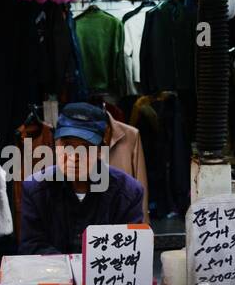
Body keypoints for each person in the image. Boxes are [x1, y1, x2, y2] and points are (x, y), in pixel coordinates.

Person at [19, 102, 145, 254]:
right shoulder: (35, 189)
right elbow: (32, 247)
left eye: (85, 147)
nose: (74, 156)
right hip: (53, 277)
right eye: (66, 145)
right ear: (55, 145)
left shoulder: (128, 192)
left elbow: (130, 251)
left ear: (100, 150)